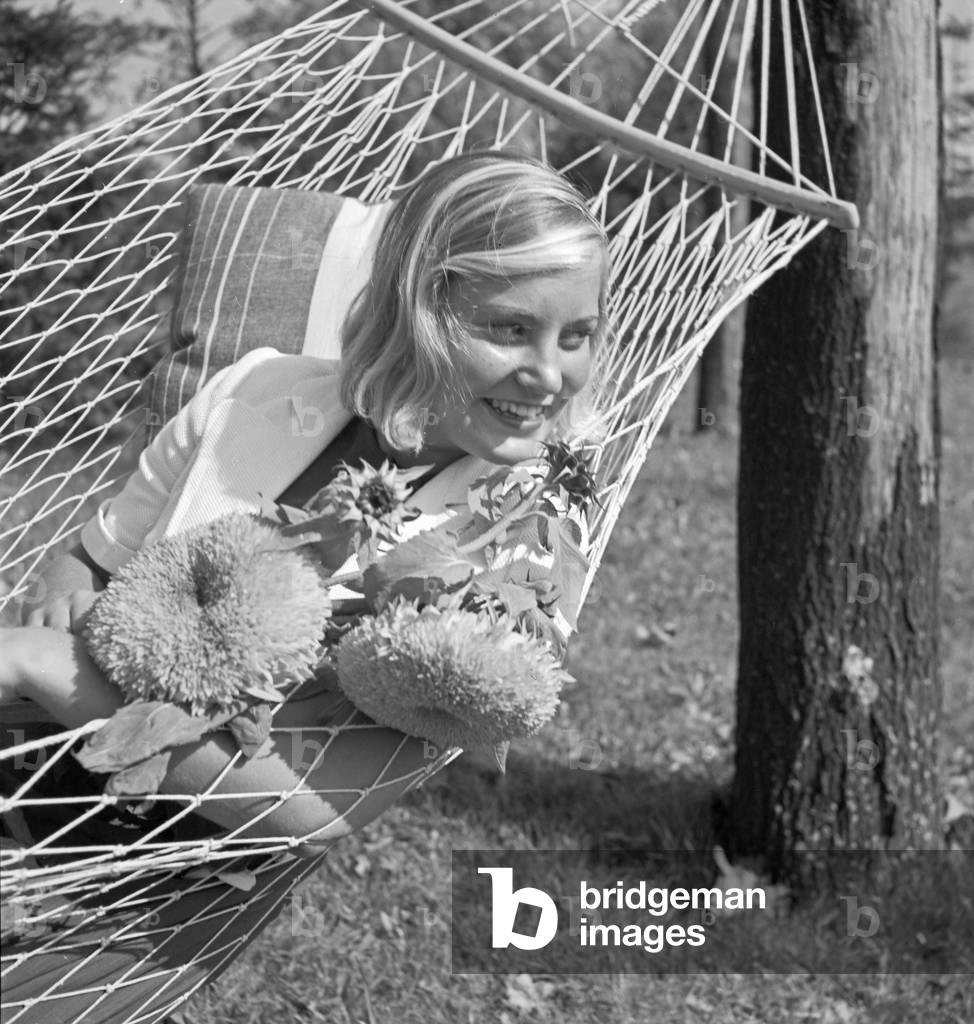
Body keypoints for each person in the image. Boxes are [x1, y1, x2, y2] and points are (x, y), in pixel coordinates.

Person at [1, 150, 611, 847]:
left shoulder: (527, 536)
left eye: (577, 336)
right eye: (510, 330)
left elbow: (315, 804)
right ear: (417, 312)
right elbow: (89, 560)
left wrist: (42, 665)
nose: (549, 376)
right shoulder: (252, 390)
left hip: (156, 861)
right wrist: (62, 601)